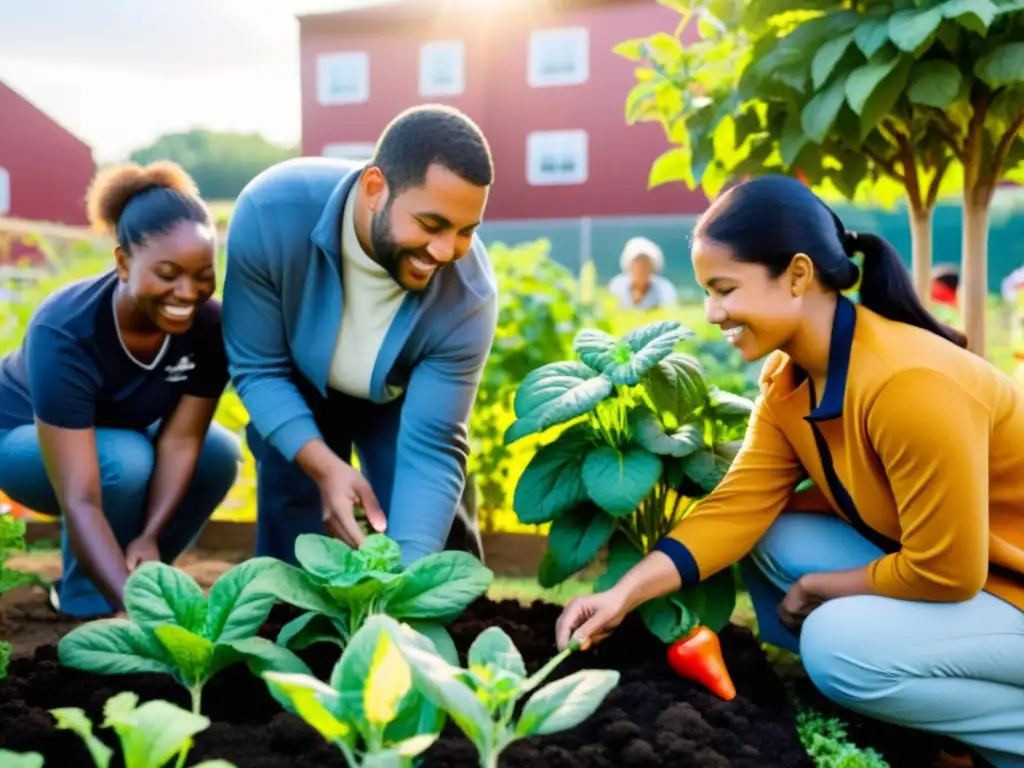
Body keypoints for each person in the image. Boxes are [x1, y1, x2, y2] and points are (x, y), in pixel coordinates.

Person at [555, 175, 1024, 768]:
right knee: (773, 533)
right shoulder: (790, 381)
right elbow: (737, 508)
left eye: (725, 289)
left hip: (1004, 587)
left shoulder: (908, 385)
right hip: (975, 577)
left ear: (798, 275)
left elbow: (948, 571)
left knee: (836, 647)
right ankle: (909, 697)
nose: (712, 312)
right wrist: (622, 594)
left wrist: (820, 588)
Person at [222, 104, 497, 567]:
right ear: (374, 189)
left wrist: (406, 594)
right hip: (296, 384)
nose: (446, 250)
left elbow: (433, 446)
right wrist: (324, 466)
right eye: (431, 225)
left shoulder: (468, 296)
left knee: (427, 531)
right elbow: (259, 368)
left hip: (396, 400)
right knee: (295, 523)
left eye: (466, 231)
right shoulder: (269, 214)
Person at [0, 161, 240, 618]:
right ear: (124, 263)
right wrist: (134, 616)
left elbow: (183, 439)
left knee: (218, 453)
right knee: (125, 459)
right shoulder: (68, 328)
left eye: (202, 274)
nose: (187, 292)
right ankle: (93, 602)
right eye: (167, 274)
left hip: (115, 441)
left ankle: (136, 576)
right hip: (19, 440)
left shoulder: (210, 326)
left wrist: (149, 534)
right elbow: (80, 495)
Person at [608, 236, 678, 310]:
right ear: (629, 266)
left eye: (645, 265)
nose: (640, 269)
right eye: (636, 264)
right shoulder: (616, 286)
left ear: (652, 268)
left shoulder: (665, 290)